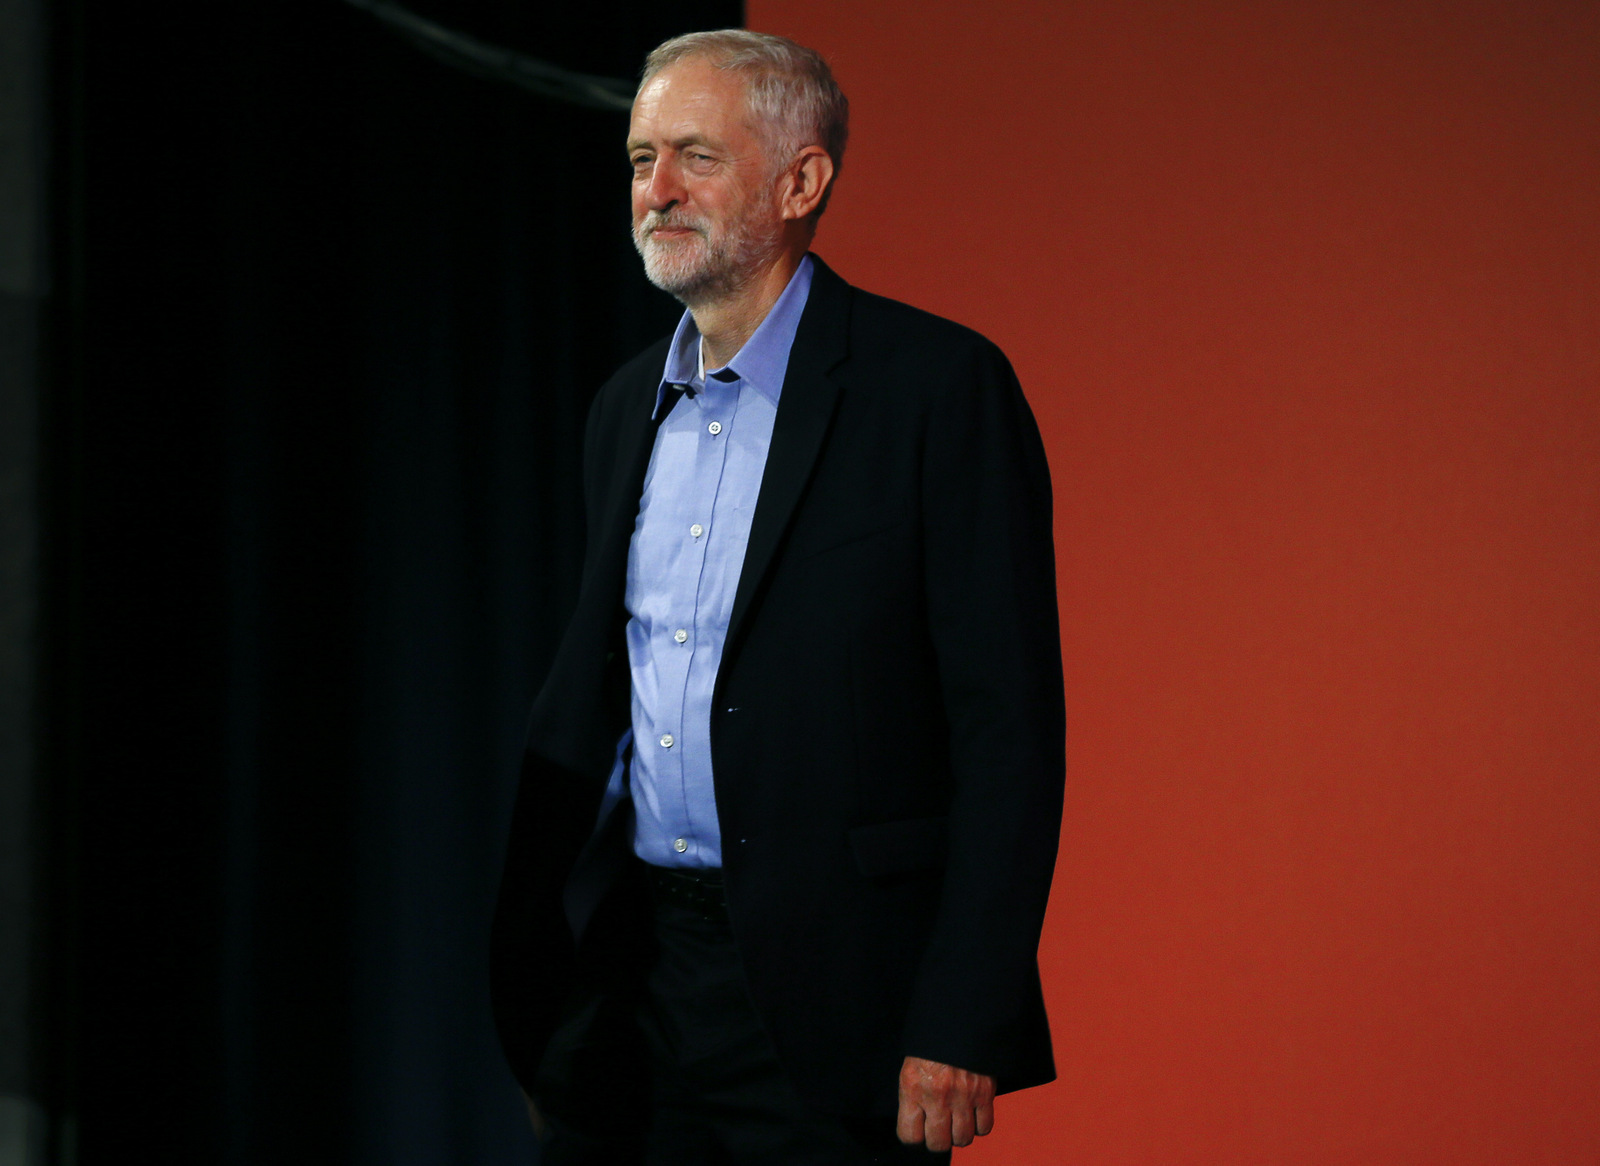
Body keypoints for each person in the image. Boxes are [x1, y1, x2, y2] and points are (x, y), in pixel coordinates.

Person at [491, 29, 1065, 1165]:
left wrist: (960, 1015)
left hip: (838, 1005)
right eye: (639, 157)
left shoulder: (937, 391)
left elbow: (1007, 734)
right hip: (634, 983)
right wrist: (544, 989)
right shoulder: (621, 409)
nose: (654, 191)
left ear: (801, 180)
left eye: (694, 155)